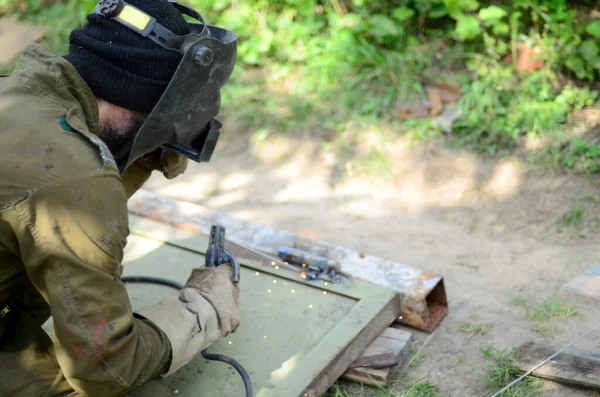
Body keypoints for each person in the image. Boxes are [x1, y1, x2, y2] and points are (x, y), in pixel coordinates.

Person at [0, 0, 240, 396]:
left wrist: (139, 157)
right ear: (148, 103)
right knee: (145, 392)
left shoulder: (17, 95)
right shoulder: (74, 175)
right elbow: (107, 368)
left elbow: (42, 214)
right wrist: (200, 313)